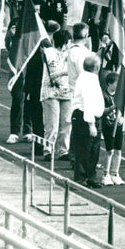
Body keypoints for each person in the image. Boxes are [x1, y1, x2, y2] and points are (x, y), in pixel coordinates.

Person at [71, 54, 105, 188]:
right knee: (84, 149)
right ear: (97, 67)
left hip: (90, 117)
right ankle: (81, 178)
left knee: (93, 150)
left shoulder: (89, 78)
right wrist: (91, 124)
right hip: (85, 117)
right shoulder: (88, 79)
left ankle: (90, 176)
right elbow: (88, 101)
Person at [41, 29, 73, 161]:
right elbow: (53, 72)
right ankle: (48, 149)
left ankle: (63, 150)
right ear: (65, 42)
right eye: (69, 41)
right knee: (52, 123)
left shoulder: (71, 53)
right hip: (51, 91)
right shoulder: (49, 53)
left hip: (67, 92)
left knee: (66, 122)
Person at [100, 71, 125, 186]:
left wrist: (122, 117)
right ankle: (105, 174)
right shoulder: (103, 95)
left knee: (118, 150)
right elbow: (102, 111)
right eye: (116, 83)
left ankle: (115, 173)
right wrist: (112, 107)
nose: (118, 85)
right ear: (109, 83)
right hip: (108, 125)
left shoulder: (120, 96)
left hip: (118, 124)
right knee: (110, 150)